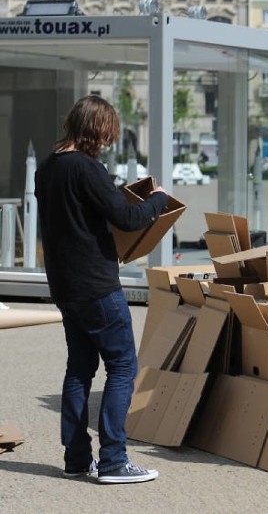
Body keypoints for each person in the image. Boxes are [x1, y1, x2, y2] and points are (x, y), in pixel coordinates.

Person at [35, 95, 168, 484]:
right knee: (123, 367)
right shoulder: (87, 168)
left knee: (79, 371)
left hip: (66, 285)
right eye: (108, 133)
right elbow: (127, 218)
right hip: (97, 285)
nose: (109, 141)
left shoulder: (47, 168)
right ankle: (113, 462)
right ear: (98, 130)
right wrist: (158, 200)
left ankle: (77, 460)